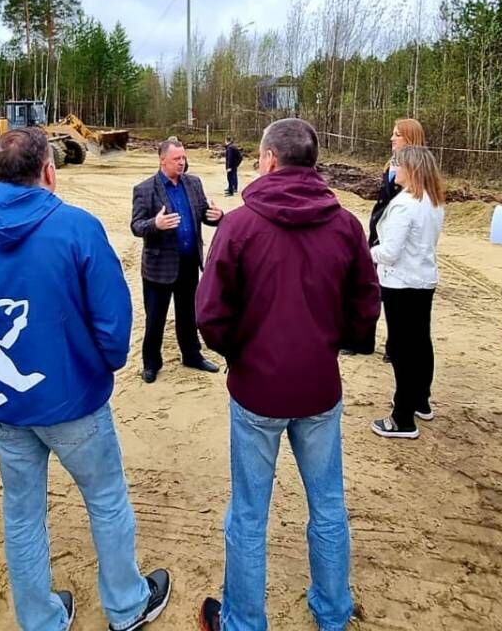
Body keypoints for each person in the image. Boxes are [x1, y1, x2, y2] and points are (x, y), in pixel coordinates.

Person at [0, 128, 172, 631]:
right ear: (48, 169)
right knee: (106, 499)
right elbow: (112, 318)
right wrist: (102, 364)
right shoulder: (77, 227)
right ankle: (127, 604)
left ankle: (40, 619)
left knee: (22, 514)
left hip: (5, 406)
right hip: (74, 400)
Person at [194, 118, 381, 631]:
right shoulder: (344, 224)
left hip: (258, 391)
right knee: (328, 505)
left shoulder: (239, 226)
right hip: (317, 386)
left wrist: (239, 353)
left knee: (250, 513)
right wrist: (336, 345)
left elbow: (209, 314)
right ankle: (332, 612)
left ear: (270, 159)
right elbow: (366, 303)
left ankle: (244, 622)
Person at [130, 138, 224, 383]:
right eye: (176, 159)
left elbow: (203, 213)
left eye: (183, 158)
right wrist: (156, 224)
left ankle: (192, 355)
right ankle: (151, 363)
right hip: (159, 266)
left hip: (189, 262)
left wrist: (216, 216)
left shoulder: (193, 183)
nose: (182, 163)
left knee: (188, 314)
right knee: (155, 317)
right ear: (163, 160)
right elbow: (136, 226)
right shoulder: (145, 189)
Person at [369, 145, 446, 440]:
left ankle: (402, 417)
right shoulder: (433, 201)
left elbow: (389, 252)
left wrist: (366, 253)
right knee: (419, 343)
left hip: (400, 282)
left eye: (397, 165)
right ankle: (419, 401)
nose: (393, 170)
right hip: (423, 279)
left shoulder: (405, 204)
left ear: (410, 169)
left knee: (402, 348)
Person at [367, 118, 425, 247]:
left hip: (397, 239)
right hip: (379, 232)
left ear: (410, 138)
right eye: (393, 134)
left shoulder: (416, 172)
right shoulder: (391, 165)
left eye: (397, 135)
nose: (392, 139)